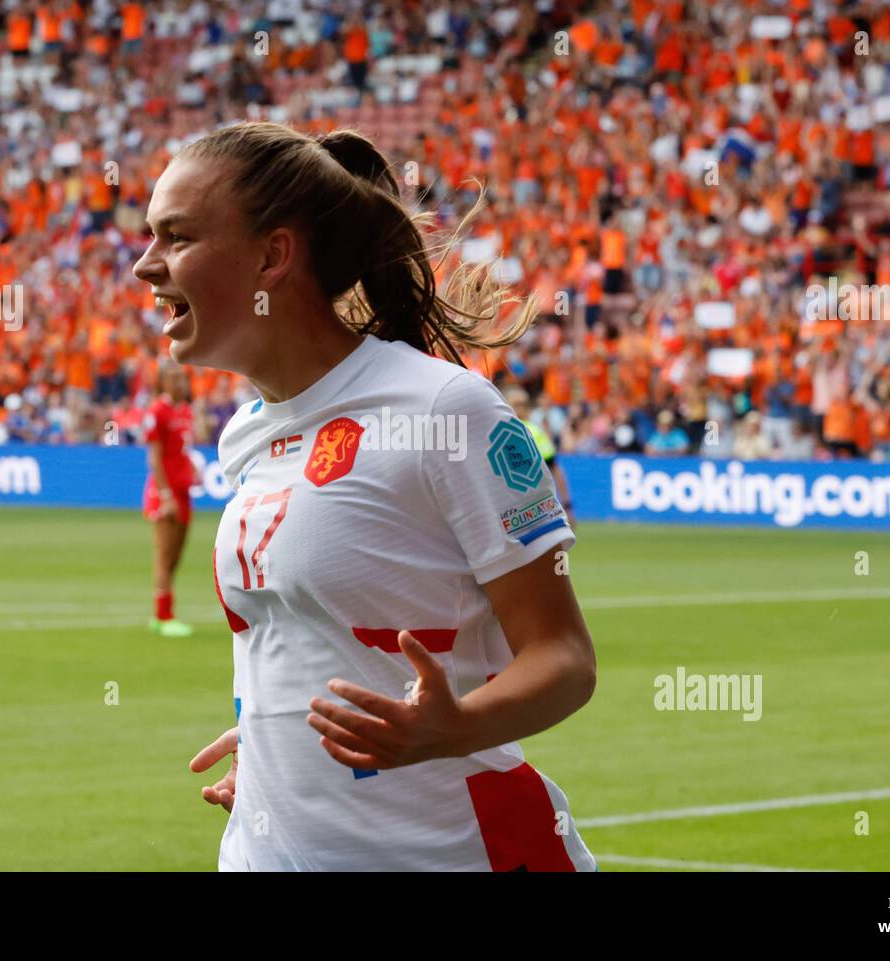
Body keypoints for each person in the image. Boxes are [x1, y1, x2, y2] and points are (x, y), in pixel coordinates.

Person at [133, 121, 597, 871]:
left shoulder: (446, 411)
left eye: (175, 237)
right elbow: (302, 646)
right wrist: (274, 748)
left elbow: (565, 658)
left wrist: (451, 726)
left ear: (273, 256)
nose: (144, 265)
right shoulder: (246, 434)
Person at [143, 362, 200, 637]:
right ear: (162, 383)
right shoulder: (157, 412)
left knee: (176, 556)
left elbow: (181, 451)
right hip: (165, 495)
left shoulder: (186, 411)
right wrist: (165, 496)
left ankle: (162, 612)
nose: (181, 382)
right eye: (174, 378)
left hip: (184, 492)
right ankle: (163, 616)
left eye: (182, 377)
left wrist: (194, 469)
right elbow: (154, 458)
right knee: (165, 556)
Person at [504, 386, 574, 523]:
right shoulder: (502, 432)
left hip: (530, 508)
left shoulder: (533, 431)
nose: (520, 409)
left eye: (523, 405)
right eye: (516, 405)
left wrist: (567, 505)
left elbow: (554, 468)